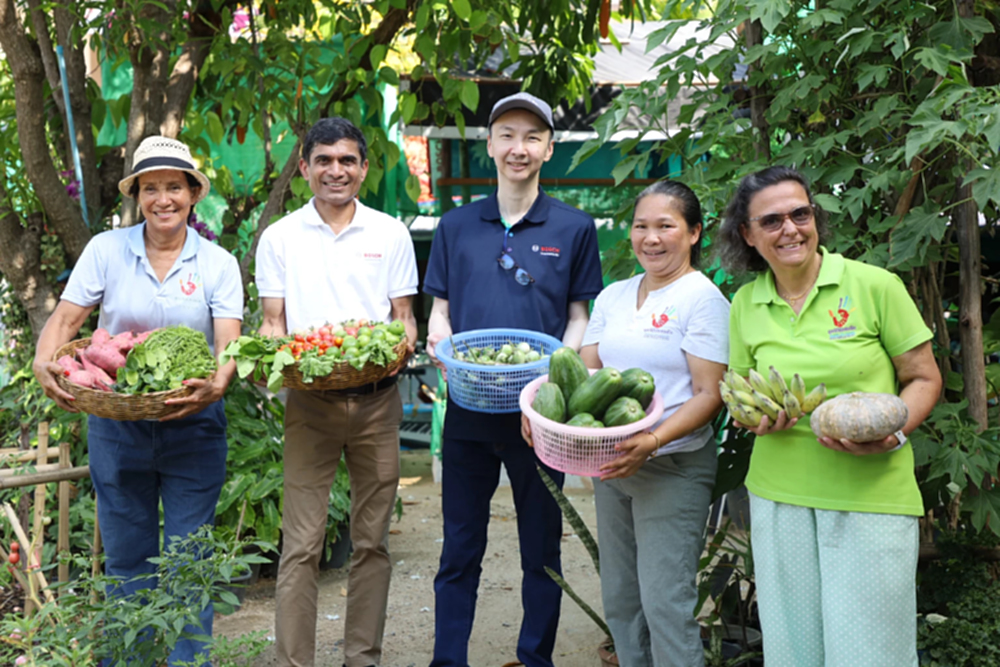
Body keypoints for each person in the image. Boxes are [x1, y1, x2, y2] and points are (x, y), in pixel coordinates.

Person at [717, 166, 942, 667]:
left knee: (871, 651)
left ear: (815, 217)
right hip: (780, 498)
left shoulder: (873, 286)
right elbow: (741, 394)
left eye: (800, 213)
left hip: (872, 495)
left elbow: (925, 379)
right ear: (748, 236)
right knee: (795, 651)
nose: (790, 228)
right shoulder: (745, 304)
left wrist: (896, 431)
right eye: (771, 221)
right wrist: (753, 419)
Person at [32, 135, 243, 665]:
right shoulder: (107, 250)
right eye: (151, 188)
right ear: (138, 196)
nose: (163, 199)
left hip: (194, 424)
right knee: (126, 561)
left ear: (194, 192)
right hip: (118, 426)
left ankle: (188, 661)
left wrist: (219, 382)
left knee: (189, 559)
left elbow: (230, 344)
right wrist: (43, 360)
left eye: (175, 186)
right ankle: (128, 660)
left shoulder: (217, 262)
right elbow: (66, 321)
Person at [423, 92, 604, 667]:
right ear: (490, 145)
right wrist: (438, 340)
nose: (518, 148)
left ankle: (536, 659)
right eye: (507, 135)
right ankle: (448, 659)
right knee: (459, 549)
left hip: (539, 417)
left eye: (532, 137)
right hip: (468, 410)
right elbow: (441, 311)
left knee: (541, 550)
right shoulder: (455, 226)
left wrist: (554, 373)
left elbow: (579, 317)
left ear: (548, 148)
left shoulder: (574, 228)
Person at [255, 116, 418, 667]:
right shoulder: (279, 237)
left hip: (377, 402)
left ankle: (361, 659)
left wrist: (399, 347)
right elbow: (273, 322)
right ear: (304, 168)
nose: (336, 170)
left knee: (372, 543)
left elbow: (403, 320)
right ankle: (293, 662)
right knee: (300, 545)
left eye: (347, 160)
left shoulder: (390, 233)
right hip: (309, 404)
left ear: (364, 168)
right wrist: (273, 359)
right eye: (323, 160)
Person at [573, 181, 729, 666]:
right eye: (642, 226)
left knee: (666, 603)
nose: (651, 238)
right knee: (621, 600)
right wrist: (550, 420)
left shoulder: (702, 299)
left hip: (672, 464)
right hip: (613, 464)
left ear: (694, 232)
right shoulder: (614, 296)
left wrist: (654, 438)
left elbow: (710, 394)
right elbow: (586, 373)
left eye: (666, 226)